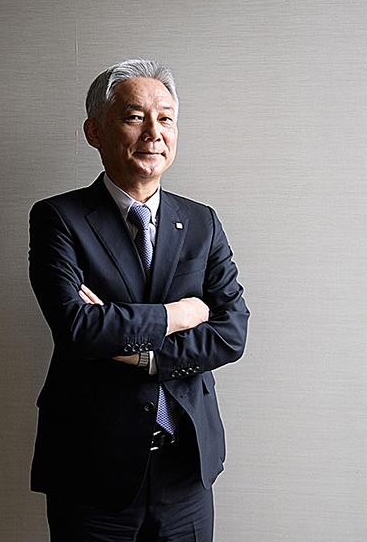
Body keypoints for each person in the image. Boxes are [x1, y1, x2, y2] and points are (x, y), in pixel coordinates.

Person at [29, 58, 249, 541]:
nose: (154, 132)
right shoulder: (59, 219)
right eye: (134, 117)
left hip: (184, 467)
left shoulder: (201, 222)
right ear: (95, 131)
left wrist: (139, 352)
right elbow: (78, 330)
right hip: (91, 469)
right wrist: (180, 313)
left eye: (166, 118)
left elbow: (231, 333)